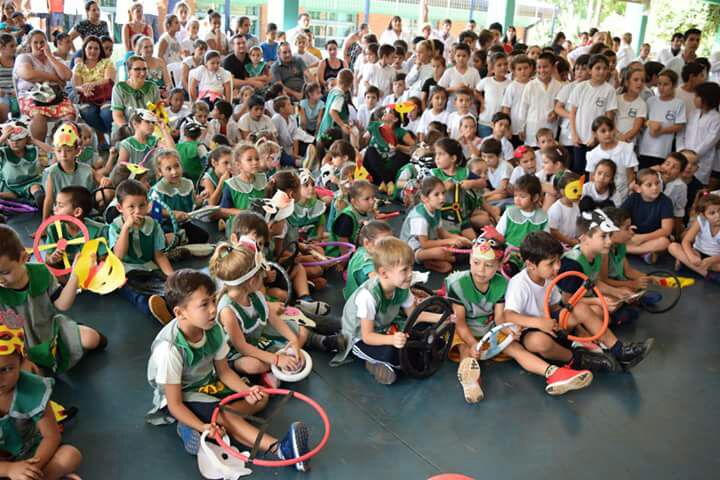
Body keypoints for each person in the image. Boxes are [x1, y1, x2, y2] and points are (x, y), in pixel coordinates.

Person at [145, 269, 311, 471]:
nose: (214, 309)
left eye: (213, 301)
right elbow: (175, 403)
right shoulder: (170, 349)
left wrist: (245, 391)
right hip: (183, 394)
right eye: (204, 305)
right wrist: (203, 426)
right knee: (225, 415)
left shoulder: (212, 328)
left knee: (260, 398)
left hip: (208, 383)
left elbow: (224, 372)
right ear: (180, 313)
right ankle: (280, 449)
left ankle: (196, 424)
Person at [503, 231, 620, 374]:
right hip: (528, 332)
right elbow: (508, 316)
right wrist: (539, 323)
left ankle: (618, 349)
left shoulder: (549, 278)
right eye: (551, 263)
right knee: (540, 342)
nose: (558, 267)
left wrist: (579, 329)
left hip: (551, 325)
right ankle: (576, 359)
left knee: (581, 308)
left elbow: (555, 307)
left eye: (558, 260)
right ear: (531, 265)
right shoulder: (519, 284)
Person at [0, 223, 106, 373]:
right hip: (19, 348)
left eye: (4, 272)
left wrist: (75, 275)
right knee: (27, 375)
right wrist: (19, 359)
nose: (1, 280)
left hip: (50, 332)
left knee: (93, 339)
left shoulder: (41, 273)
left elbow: (62, 304)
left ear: (23, 258)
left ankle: (72, 331)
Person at [0, 319, 83, 478]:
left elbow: (51, 436)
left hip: (33, 451)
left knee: (70, 455)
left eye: (6, 369)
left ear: (21, 362)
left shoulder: (33, 389)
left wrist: (31, 469)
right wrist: (9, 470)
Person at [332, 237, 416, 385]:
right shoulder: (368, 296)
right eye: (405, 270)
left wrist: (443, 318)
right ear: (384, 273)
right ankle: (370, 361)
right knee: (397, 354)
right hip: (358, 336)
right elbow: (367, 337)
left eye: (411, 268)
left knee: (412, 348)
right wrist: (392, 340)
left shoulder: (402, 285)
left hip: (384, 328)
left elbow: (415, 315)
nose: (410, 274)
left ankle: (381, 360)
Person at [400, 176, 470, 273]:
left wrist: (460, 239)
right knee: (441, 252)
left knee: (448, 261)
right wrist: (449, 241)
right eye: (436, 194)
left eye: (443, 193)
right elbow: (424, 244)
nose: (442, 197)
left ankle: (435, 260)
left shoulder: (436, 209)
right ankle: (455, 259)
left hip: (429, 244)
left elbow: (442, 234)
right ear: (425, 198)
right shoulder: (419, 218)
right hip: (413, 251)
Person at [14, 30, 74, 142]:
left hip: (56, 97)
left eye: (42, 42)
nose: (39, 45)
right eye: (35, 42)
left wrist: (49, 56)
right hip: (31, 97)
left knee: (69, 116)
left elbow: (67, 76)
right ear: (30, 45)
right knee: (39, 116)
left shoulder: (55, 59)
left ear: (47, 43)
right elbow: (28, 74)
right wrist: (55, 78)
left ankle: (61, 147)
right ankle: (40, 150)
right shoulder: (24, 57)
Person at [620, 169, 673, 262]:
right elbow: (619, 216)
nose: (655, 188)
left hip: (652, 237)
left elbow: (666, 230)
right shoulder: (633, 198)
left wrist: (643, 238)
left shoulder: (665, 201)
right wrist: (627, 230)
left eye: (657, 183)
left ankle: (627, 250)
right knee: (614, 235)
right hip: (634, 236)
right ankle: (644, 253)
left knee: (664, 242)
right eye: (649, 185)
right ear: (638, 188)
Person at [637, 69, 686, 169]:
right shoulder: (651, 101)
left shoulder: (678, 103)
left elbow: (679, 126)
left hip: (663, 150)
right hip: (645, 148)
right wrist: (650, 123)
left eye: (666, 84)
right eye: (659, 84)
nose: (661, 88)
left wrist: (661, 131)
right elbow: (642, 120)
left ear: (674, 85)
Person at [669, 193, 720, 282]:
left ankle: (686, 264)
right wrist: (691, 256)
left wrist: (712, 259)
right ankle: (705, 273)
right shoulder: (701, 221)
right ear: (703, 216)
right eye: (712, 213)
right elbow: (686, 241)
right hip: (697, 253)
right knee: (672, 246)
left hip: (715, 259)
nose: (718, 215)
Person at [72, 35, 115, 139]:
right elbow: (76, 85)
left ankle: (113, 138)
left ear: (100, 50)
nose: (93, 51)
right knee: (87, 112)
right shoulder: (79, 66)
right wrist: (83, 89)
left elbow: (108, 80)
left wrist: (92, 84)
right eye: (89, 48)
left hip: (105, 97)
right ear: (84, 49)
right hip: (87, 97)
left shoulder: (106, 62)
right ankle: (109, 133)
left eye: (96, 48)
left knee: (106, 113)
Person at [677, 82, 720, 185]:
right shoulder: (692, 113)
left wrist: (692, 156)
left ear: (707, 98)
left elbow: (709, 142)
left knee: (696, 186)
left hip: (701, 161)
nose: (694, 98)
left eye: (697, 96)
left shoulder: (716, 118)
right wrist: (681, 151)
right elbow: (681, 133)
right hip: (683, 156)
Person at [517, 52, 562, 146]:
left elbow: (560, 106)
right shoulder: (530, 85)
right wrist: (521, 128)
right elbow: (523, 108)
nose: (542, 70)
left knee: (549, 156)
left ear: (553, 67)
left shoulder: (559, 86)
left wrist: (555, 113)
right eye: (539, 67)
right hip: (532, 129)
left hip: (550, 129)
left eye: (545, 67)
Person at [111, 55, 160, 136]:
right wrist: (131, 132)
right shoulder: (119, 88)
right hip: (126, 129)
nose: (142, 73)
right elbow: (118, 116)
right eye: (137, 69)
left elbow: (158, 112)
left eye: (144, 69)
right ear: (129, 71)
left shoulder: (153, 87)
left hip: (148, 128)